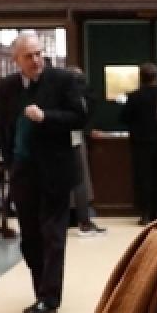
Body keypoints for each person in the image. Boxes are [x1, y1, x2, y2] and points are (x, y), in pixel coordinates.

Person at [0, 31, 89, 313]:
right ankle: (41, 290)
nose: (36, 60)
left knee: (52, 234)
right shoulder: (8, 87)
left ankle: (49, 298)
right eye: (29, 56)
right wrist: (9, 158)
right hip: (23, 170)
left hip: (55, 170)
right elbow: (1, 124)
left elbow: (80, 117)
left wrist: (47, 117)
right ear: (16, 60)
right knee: (30, 238)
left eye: (39, 54)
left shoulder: (62, 80)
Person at [120, 62, 157, 225]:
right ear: (156, 77)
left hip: (140, 142)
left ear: (140, 77)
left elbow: (123, 118)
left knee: (143, 177)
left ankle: (145, 213)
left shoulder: (134, 96)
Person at [65, 65, 106, 236]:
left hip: (62, 140)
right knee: (80, 181)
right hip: (75, 139)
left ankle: (69, 218)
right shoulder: (83, 96)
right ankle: (83, 221)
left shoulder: (60, 95)